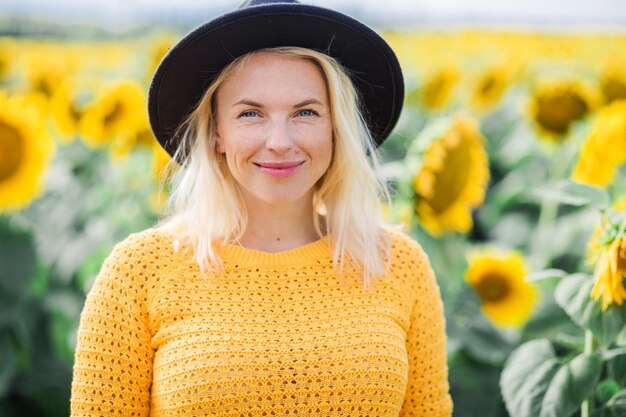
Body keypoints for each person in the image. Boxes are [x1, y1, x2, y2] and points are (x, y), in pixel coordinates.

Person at [70, 0, 453, 416]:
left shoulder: (398, 265)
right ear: (216, 132)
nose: (279, 141)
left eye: (305, 112)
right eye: (250, 113)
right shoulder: (139, 271)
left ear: (336, 128)